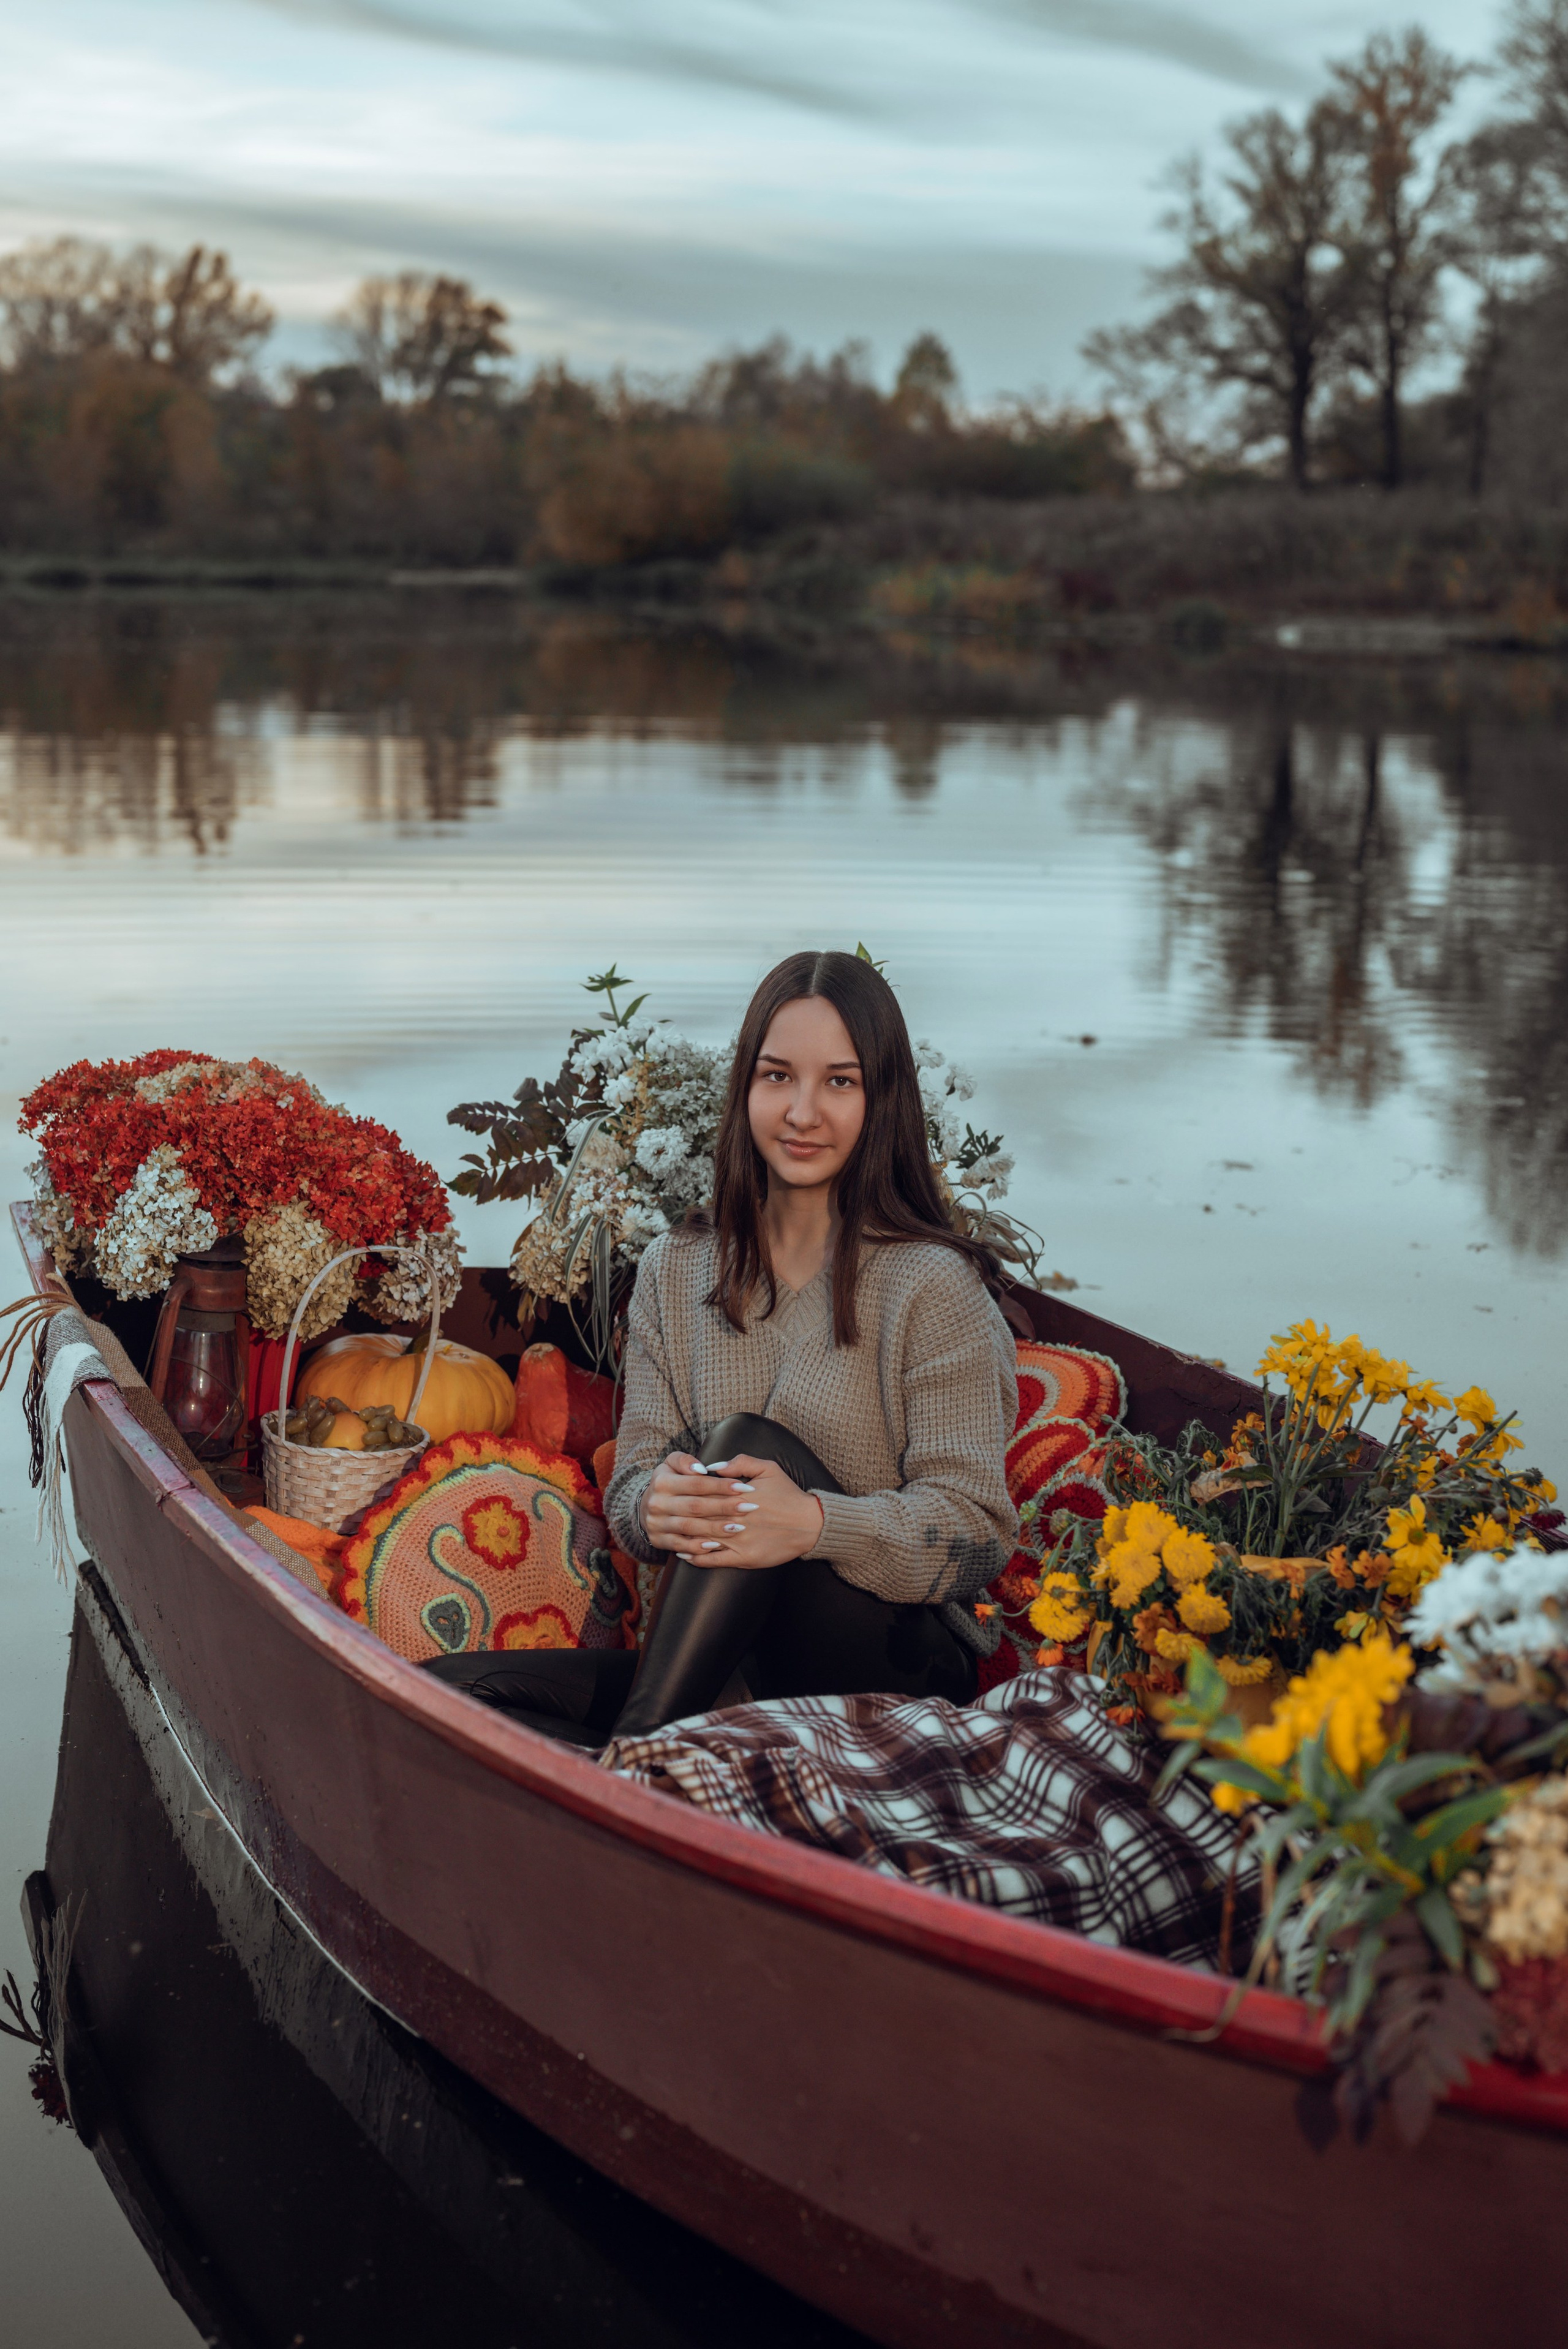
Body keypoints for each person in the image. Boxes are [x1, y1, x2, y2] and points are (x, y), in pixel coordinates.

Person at [425, 949, 1018, 1746]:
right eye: (779, 1076)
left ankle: (633, 1767)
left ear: (882, 1102)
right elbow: (635, 1486)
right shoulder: (679, 1266)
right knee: (443, 1695)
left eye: (839, 1082)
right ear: (744, 1089)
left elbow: (975, 1535)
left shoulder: (931, 1285)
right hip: (721, 1656)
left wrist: (812, 1523)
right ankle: (643, 1760)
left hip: (888, 1665)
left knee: (743, 1449)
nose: (803, 1111)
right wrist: (654, 1502)